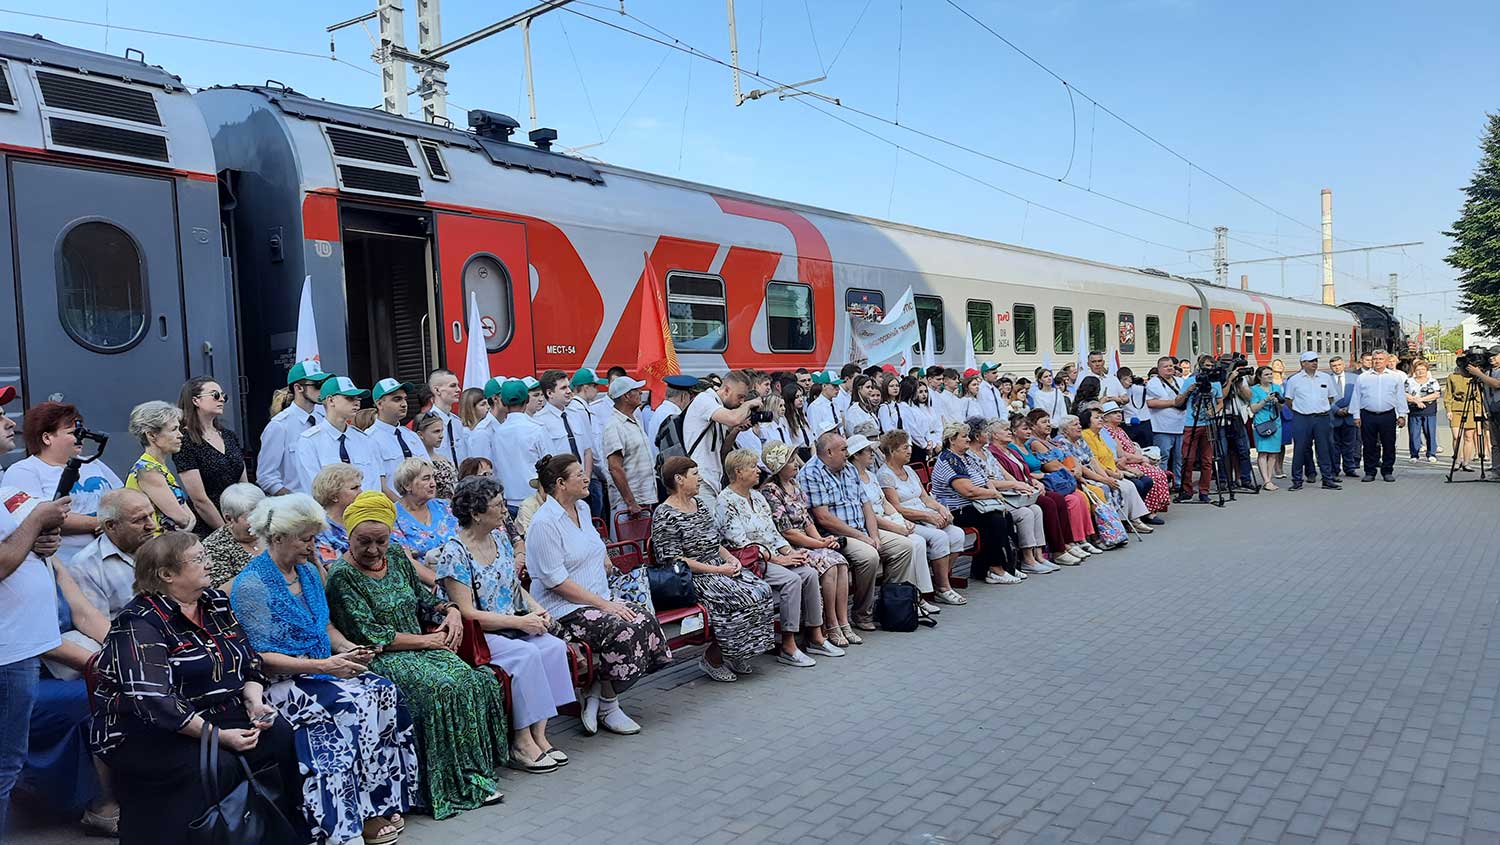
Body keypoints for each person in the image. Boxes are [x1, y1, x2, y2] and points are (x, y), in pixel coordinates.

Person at [88, 532, 305, 845]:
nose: (209, 563)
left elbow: (250, 661)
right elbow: (155, 702)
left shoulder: (215, 602)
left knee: (278, 734)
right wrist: (218, 736)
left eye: (205, 555)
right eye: (199, 559)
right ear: (167, 574)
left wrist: (254, 702)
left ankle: (276, 832)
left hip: (216, 712)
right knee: (219, 763)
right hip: (145, 730)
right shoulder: (138, 622)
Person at [229, 494, 417, 843]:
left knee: (383, 690)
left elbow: (324, 627)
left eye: (314, 537)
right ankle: (345, 819)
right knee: (348, 707)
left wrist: (349, 650)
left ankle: (379, 802)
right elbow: (260, 658)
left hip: (321, 669)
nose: (313, 545)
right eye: (306, 538)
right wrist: (325, 665)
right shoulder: (252, 584)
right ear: (279, 537)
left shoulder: (308, 572)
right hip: (281, 680)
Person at [324, 492, 509, 817]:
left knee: (473, 680)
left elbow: (423, 601)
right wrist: (429, 642)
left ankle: (472, 774)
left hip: (422, 645)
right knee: (442, 689)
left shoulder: (395, 556)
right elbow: (370, 635)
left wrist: (450, 610)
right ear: (349, 537)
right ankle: (442, 786)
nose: (373, 550)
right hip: (380, 656)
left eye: (380, 541)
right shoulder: (342, 576)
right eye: (363, 542)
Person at [432, 477, 575, 772]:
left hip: (511, 624)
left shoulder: (498, 539)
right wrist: (521, 623)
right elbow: (467, 613)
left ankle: (539, 734)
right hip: (478, 635)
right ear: (476, 513)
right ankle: (521, 742)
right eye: (497, 505)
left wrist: (537, 610)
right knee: (526, 656)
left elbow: (512, 586)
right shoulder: (455, 551)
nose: (503, 511)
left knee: (552, 647)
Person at [528, 454, 670, 733]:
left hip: (597, 597)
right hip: (563, 608)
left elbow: (594, 546)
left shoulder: (581, 508)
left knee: (645, 619)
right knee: (622, 630)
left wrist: (604, 562)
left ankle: (603, 695)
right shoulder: (544, 523)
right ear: (560, 483)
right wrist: (605, 604)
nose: (586, 478)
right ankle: (607, 702)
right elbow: (557, 583)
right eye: (578, 474)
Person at [24, 516, 117, 838]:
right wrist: (101, 663)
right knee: (104, 698)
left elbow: (84, 613)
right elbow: (36, 636)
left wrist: (123, 649)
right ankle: (103, 806)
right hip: (28, 675)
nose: (54, 536)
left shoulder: (51, 562)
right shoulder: (9, 569)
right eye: (44, 529)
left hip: (69, 666)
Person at [0, 456, 73, 842]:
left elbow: (28, 542)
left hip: (20, 648)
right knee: (5, 765)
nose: (9, 420)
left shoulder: (6, 490)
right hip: (8, 652)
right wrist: (35, 524)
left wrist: (42, 540)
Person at [654, 456, 777, 681]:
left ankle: (739, 650)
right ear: (679, 479)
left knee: (761, 589)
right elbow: (674, 561)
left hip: (718, 567)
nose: (699, 479)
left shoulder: (698, 504)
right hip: (693, 576)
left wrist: (731, 559)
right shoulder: (664, 515)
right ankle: (714, 658)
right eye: (694, 474)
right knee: (741, 598)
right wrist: (718, 571)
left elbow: (714, 542)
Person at [718, 449, 843, 666]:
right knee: (792, 580)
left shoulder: (757, 497)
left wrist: (790, 553)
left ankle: (815, 635)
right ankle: (788, 644)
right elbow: (739, 542)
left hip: (771, 556)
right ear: (738, 472)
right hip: (750, 562)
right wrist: (776, 560)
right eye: (753, 467)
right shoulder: (725, 500)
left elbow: (773, 534)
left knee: (809, 573)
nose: (759, 471)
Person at [800, 431, 916, 634]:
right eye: (843, 450)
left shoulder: (849, 469)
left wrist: (874, 535)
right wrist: (863, 537)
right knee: (868, 556)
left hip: (862, 529)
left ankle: (889, 606)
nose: (847, 453)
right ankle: (862, 612)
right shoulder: (812, 473)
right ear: (829, 452)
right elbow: (824, 518)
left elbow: (866, 505)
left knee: (904, 547)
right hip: (835, 535)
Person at [758, 441, 856, 647]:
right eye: (790, 461)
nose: (796, 464)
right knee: (828, 565)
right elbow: (788, 531)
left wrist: (821, 541)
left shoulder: (796, 486)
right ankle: (830, 624)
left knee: (839, 560)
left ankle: (843, 621)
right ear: (779, 466)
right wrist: (816, 544)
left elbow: (807, 521)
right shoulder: (770, 491)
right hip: (789, 545)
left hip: (809, 540)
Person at [5, 402, 123, 562]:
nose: (81, 437)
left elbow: (124, 495)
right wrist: (104, 523)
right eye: (73, 433)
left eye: (82, 432)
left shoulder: (93, 463)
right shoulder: (24, 471)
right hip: (68, 564)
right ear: (47, 438)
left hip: (110, 559)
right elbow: (39, 516)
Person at [846, 435, 944, 614]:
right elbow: (867, 513)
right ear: (856, 455)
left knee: (917, 541)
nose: (872, 453)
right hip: (874, 524)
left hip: (888, 519)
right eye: (868, 450)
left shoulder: (870, 475)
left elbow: (885, 503)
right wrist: (896, 527)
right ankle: (910, 597)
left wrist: (901, 520)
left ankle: (915, 596)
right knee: (915, 542)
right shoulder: (852, 477)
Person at [877, 430, 968, 605]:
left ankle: (939, 577)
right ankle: (943, 587)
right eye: (905, 448)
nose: (909, 451)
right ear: (892, 451)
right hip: (908, 520)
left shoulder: (910, 470)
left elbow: (925, 497)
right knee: (940, 537)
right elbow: (896, 508)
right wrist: (928, 515)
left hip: (925, 514)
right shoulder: (885, 475)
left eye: (909, 446)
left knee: (957, 534)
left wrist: (941, 509)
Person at [928, 422, 1021, 584]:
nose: (968, 439)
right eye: (963, 436)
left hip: (976, 503)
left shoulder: (968, 456)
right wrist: (993, 494)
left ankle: (1002, 566)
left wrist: (995, 497)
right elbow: (968, 491)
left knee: (1004, 516)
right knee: (994, 519)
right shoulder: (948, 460)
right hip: (957, 509)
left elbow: (986, 479)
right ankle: (995, 568)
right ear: (952, 440)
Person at [1027, 411, 1125, 550]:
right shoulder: (1036, 443)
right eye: (1044, 422)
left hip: (1071, 477)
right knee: (1083, 497)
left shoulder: (1050, 441)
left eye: (1049, 421)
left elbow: (1073, 458)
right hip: (1059, 481)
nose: (1048, 425)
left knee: (1094, 491)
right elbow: (1052, 465)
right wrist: (1075, 473)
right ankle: (1089, 537)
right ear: (1033, 426)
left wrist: (1078, 469)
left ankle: (1102, 534)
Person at [991, 417, 1083, 564]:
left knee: (1058, 498)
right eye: (1006, 430)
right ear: (995, 435)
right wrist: (1024, 484)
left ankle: (1068, 543)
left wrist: (1033, 481)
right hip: (1015, 492)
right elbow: (1006, 476)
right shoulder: (994, 452)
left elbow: (1024, 471)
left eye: (1009, 430)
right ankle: (1057, 550)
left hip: (1028, 486)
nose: (1009, 433)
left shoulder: (1011, 451)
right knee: (1048, 503)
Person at [968, 420, 1055, 575]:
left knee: (1036, 508)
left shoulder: (986, 452)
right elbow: (983, 482)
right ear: (977, 435)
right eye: (985, 432)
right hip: (990, 497)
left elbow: (1003, 473)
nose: (987, 434)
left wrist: (1021, 484)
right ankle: (1027, 559)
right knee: (1025, 513)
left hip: (1005, 492)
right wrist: (1014, 485)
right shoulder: (970, 455)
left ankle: (1038, 556)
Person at [1012, 414, 1096, 563]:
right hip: (1033, 483)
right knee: (1054, 501)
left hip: (1043, 481)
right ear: (1014, 431)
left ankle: (1075, 541)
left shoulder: (1026, 446)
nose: (1028, 431)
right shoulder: (1016, 448)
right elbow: (1031, 470)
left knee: (1075, 497)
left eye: (1028, 428)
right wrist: (1040, 478)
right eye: (1025, 428)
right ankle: (1059, 549)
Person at [173, 377, 249, 537]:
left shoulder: (229, 436)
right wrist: (227, 534)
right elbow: (200, 500)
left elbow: (244, 486)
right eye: (215, 395)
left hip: (240, 522)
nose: (221, 399)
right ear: (195, 400)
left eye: (223, 396)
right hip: (210, 528)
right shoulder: (185, 440)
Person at [64, 489, 154, 619]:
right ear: (111, 525)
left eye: (151, 515)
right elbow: (98, 624)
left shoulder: (162, 548)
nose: (152, 525)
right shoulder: (86, 567)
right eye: (139, 520)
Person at [295, 376, 384, 496]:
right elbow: (314, 488)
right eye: (349, 398)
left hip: (365, 511)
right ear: (331, 400)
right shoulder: (309, 441)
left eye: (358, 398)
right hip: (331, 512)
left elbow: (375, 484)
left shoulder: (365, 440)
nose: (357, 403)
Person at [682, 369, 763, 499]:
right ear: (726, 390)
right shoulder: (705, 399)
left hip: (713, 478)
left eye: (744, 398)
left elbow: (723, 451)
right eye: (740, 396)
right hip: (699, 478)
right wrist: (749, 404)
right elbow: (733, 419)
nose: (742, 402)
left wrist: (736, 430)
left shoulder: (719, 407)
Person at [257, 361, 332, 496]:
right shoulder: (280, 426)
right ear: (298, 388)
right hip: (299, 508)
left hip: (329, 504)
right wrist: (295, 500)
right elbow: (266, 476)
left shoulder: (323, 420)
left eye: (323, 384)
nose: (322, 390)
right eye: (317, 385)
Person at [1074, 410, 1154, 534]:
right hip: (1100, 474)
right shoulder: (1087, 435)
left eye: (1101, 417)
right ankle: (1125, 521)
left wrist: (1118, 471)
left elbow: (1111, 457)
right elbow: (1094, 462)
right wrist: (1109, 476)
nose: (1100, 419)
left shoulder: (1100, 435)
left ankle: (1135, 519)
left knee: (1132, 485)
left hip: (1113, 470)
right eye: (1096, 418)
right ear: (1087, 421)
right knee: (1126, 487)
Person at [124, 400, 196, 534]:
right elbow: (183, 519)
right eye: (174, 429)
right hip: (156, 549)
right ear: (151, 435)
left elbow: (189, 518)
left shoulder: (158, 468)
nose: (180, 435)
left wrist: (187, 520)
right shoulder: (148, 471)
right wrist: (186, 521)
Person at [601, 375, 657, 528]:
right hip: (629, 506)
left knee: (642, 549)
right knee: (631, 548)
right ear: (626, 396)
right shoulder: (614, 426)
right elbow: (615, 467)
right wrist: (631, 502)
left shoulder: (634, 420)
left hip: (642, 501)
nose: (641, 393)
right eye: (636, 390)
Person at [1095, 403, 1171, 516]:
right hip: (1124, 463)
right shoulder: (1107, 431)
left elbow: (1132, 447)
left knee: (1159, 472)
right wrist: (1142, 459)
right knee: (1153, 475)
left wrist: (1143, 460)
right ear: (1105, 417)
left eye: (1119, 412)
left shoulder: (1120, 430)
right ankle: (1147, 511)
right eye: (1114, 413)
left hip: (1134, 459)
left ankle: (1152, 510)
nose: (1119, 415)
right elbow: (1121, 455)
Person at [1282, 351, 1341, 491]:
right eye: (1311, 361)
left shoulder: (1325, 378)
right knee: (1300, 449)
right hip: (1302, 418)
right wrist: (1300, 410)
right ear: (1303, 363)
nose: (1315, 363)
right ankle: (1297, 480)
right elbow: (1288, 400)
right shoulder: (1294, 380)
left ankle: (1327, 478)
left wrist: (1320, 407)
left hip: (1322, 417)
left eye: (1316, 360)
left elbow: (1331, 397)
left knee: (1324, 449)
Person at [391, 457, 457, 581]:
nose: (433, 483)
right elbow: (406, 561)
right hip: (425, 585)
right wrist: (440, 584)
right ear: (407, 485)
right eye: (426, 479)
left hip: (459, 575)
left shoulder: (444, 507)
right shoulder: (393, 517)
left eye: (433, 478)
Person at [490, 379, 549, 513]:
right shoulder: (537, 429)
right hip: (535, 499)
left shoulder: (497, 433)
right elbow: (551, 464)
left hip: (507, 499)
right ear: (527, 399)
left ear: (504, 403)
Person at [1351, 349, 1408, 482]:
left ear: (1387, 361)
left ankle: (1387, 471)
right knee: (1369, 445)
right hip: (1368, 415)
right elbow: (1356, 397)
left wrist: (1402, 415)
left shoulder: (1394, 377)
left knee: (1389, 444)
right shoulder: (1363, 377)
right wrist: (1356, 415)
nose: (1377, 361)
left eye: (1380, 359)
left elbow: (1400, 397)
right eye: (1375, 359)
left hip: (1387, 415)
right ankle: (1370, 472)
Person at [368, 379, 427, 500]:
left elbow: (428, 471)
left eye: (405, 399)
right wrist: (405, 509)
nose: (404, 404)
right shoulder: (369, 438)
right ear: (379, 404)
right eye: (397, 399)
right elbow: (380, 485)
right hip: (394, 510)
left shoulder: (411, 436)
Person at [1176, 357, 1223, 503]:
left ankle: (1204, 491)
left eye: (1211, 365)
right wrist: (1188, 392)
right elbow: (1178, 401)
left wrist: (1214, 411)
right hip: (1191, 423)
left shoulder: (1215, 383)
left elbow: (1220, 402)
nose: (1209, 368)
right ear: (1200, 366)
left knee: (1207, 460)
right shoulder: (1190, 381)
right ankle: (1186, 489)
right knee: (1187, 458)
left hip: (1208, 424)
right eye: (1206, 365)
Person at [201, 483, 266, 586]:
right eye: (252, 518)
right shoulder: (213, 548)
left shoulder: (272, 530)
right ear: (229, 519)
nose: (260, 522)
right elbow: (221, 595)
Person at [1144, 357, 1188, 488]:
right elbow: (1150, 402)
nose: (1170, 368)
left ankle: (1179, 484)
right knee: (1163, 457)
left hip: (1181, 425)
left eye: (1171, 366)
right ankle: (1162, 485)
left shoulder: (1180, 381)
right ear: (1159, 369)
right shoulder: (1153, 383)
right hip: (1162, 427)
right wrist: (1174, 403)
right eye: (1166, 366)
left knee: (1180, 458)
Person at [311, 463, 363, 568]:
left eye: (360, 487)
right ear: (334, 496)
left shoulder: (363, 520)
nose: (361, 492)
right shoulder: (320, 529)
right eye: (354, 488)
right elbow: (332, 569)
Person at [1248, 366, 1285, 490]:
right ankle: (1266, 480)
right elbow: (1253, 408)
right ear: (1259, 377)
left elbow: (1281, 407)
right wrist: (1265, 400)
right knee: (1263, 452)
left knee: (1274, 452)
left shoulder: (1277, 388)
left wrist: (1277, 402)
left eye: (1271, 374)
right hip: (1262, 423)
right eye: (1266, 374)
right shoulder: (1254, 390)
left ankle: (1269, 479)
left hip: (1276, 422)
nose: (1270, 376)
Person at [426, 368, 468, 467]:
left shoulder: (457, 422)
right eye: (452, 386)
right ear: (437, 390)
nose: (458, 390)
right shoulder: (427, 423)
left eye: (458, 385)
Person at [413, 410, 459, 499]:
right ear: (420, 434)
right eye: (436, 431)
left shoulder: (444, 459)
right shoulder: (417, 463)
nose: (441, 436)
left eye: (442, 431)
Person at [1328, 356, 1361, 478]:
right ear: (1331, 367)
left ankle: (1350, 468)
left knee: (1350, 444)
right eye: (1334, 366)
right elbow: (1324, 397)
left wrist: (1349, 409)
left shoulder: (1355, 378)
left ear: (1344, 365)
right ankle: (1334, 468)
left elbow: (1358, 395)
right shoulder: (1327, 379)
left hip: (1350, 415)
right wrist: (1336, 409)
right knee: (1334, 444)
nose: (1337, 368)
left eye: (1339, 365)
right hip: (1333, 416)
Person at [1443, 363, 1480, 471]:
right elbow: (1448, 394)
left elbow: (1478, 395)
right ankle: (1457, 460)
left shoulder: (1474, 376)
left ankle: (1466, 462)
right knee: (1456, 436)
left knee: (1469, 436)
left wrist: (1478, 410)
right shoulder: (1452, 376)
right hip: (1456, 407)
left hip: (1470, 407)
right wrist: (1448, 409)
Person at [1405, 359, 1441, 463]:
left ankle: (1431, 453)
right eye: (1418, 369)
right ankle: (1414, 454)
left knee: (1430, 432)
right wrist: (1415, 401)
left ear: (1427, 370)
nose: (1420, 372)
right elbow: (1405, 394)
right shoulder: (1409, 381)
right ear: (1414, 371)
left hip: (1429, 410)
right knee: (1413, 433)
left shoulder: (1432, 381)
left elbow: (1436, 394)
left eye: (1423, 369)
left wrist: (1420, 400)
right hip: (1414, 411)